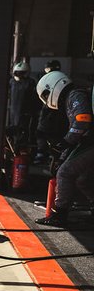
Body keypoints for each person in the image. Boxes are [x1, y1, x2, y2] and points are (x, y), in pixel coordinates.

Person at [34, 71, 94, 226]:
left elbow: (83, 120)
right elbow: (76, 133)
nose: (47, 100)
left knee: (65, 173)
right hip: (88, 142)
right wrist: (62, 155)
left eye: (46, 95)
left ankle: (60, 215)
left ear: (54, 85)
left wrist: (65, 142)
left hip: (91, 142)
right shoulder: (71, 98)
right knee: (83, 179)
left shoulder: (75, 95)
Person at [6, 60, 40, 151]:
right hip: (13, 113)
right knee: (13, 132)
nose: (19, 75)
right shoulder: (12, 82)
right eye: (17, 73)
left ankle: (22, 152)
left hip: (25, 114)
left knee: (23, 134)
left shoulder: (30, 82)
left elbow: (35, 99)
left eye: (21, 73)